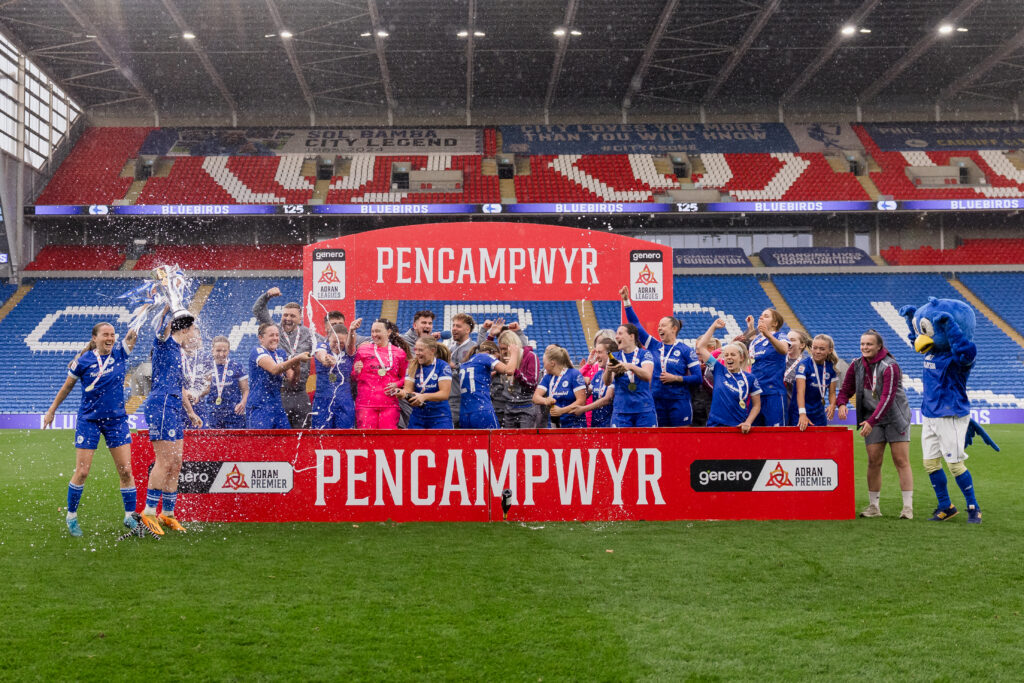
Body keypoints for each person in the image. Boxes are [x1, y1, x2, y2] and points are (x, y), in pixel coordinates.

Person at [43, 323, 139, 536]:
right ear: (94, 338)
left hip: (116, 421)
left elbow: (134, 333)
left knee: (125, 470)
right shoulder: (83, 361)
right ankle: (72, 517)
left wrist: (150, 308)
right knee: (82, 471)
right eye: (106, 334)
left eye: (113, 335)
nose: (110, 338)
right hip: (89, 421)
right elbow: (67, 386)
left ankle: (130, 516)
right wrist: (51, 410)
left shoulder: (121, 353)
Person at [139, 310, 204, 536]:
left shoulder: (179, 352)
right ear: (184, 330)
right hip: (161, 405)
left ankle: (167, 513)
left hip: (175, 406)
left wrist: (191, 412)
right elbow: (160, 327)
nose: (196, 333)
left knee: (176, 462)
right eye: (194, 329)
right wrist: (167, 306)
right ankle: (147, 513)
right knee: (164, 461)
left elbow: (181, 387)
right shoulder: (165, 343)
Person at [836, 330, 914, 519]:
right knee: (873, 461)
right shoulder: (856, 365)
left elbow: (887, 398)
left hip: (895, 417)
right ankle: (874, 507)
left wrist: (871, 421)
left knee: (901, 461)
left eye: (869, 344)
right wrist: (841, 404)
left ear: (879, 346)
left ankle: (907, 508)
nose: (865, 347)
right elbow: (846, 389)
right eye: (862, 344)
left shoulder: (890, 366)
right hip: (872, 418)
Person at [620, 286, 702, 426]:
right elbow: (636, 325)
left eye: (663, 325)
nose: (659, 328)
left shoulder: (686, 350)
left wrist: (676, 378)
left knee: (680, 439)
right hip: (656, 401)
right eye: (658, 325)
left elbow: (698, 378)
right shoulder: (654, 345)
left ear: (674, 328)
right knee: (659, 439)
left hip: (679, 401)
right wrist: (626, 301)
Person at [253, 286, 313, 428]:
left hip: (300, 392)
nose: (287, 319)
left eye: (292, 316)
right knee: (279, 437)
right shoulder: (274, 330)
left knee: (303, 435)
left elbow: (329, 342)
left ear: (300, 319)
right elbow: (258, 310)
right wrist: (267, 295)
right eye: (285, 315)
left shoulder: (309, 335)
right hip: (280, 393)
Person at [695, 319, 761, 432]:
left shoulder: (750, 378)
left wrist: (748, 422)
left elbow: (756, 405)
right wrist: (713, 327)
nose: (729, 357)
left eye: (733, 355)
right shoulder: (718, 370)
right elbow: (701, 347)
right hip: (715, 425)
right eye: (726, 355)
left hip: (738, 426)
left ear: (741, 357)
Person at [246, 323, 311, 430]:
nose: (275, 338)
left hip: (277, 405)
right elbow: (274, 369)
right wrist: (296, 359)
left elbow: (292, 381)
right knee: (261, 443)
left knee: (285, 442)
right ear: (261, 338)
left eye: (277, 335)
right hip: (260, 406)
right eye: (271, 335)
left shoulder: (280, 353)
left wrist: (297, 366)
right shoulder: (257, 351)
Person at [352, 319, 410, 429]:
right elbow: (354, 377)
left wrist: (397, 384)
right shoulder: (363, 350)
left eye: (378, 331)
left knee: (387, 440)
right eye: (372, 331)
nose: (374, 335)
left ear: (388, 332)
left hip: (389, 405)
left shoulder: (399, 353)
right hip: (366, 404)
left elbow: (406, 377)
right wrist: (356, 371)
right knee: (367, 441)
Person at [394, 336, 453, 429]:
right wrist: (402, 394)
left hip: (440, 417)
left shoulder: (443, 366)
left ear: (432, 350)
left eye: (421, 350)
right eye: (416, 349)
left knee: (441, 444)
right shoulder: (412, 365)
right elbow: (408, 390)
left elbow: (444, 394)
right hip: (418, 417)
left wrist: (423, 397)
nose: (417, 353)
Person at [605, 323, 657, 428]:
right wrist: (609, 370)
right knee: (621, 444)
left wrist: (630, 366)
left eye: (620, 333)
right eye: (616, 334)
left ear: (631, 336)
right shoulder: (614, 356)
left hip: (644, 410)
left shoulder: (645, 354)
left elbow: (647, 376)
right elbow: (607, 382)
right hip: (621, 411)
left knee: (646, 443)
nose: (616, 337)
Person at [743, 309, 789, 426]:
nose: (761, 318)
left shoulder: (781, 335)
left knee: (776, 434)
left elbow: (784, 350)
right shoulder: (756, 341)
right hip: (756, 393)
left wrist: (768, 334)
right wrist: (751, 327)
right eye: (761, 315)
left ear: (775, 323)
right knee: (755, 434)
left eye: (766, 316)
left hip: (773, 392)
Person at [457, 340, 517, 428]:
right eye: (496, 358)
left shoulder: (467, 363)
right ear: (490, 352)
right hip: (482, 411)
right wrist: (514, 354)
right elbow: (509, 370)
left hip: (465, 414)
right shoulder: (485, 356)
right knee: (495, 441)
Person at [492, 328, 542, 428]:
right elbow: (483, 352)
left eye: (506, 349)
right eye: (501, 349)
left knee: (525, 440)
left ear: (514, 346)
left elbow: (532, 384)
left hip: (526, 407)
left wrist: (515, 372)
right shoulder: (502, 358)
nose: (503, 352)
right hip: (509, 407)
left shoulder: (530, 357)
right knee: (509, 441)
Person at [312, 322, 356, 429]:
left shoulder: (349, 352)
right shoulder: (321, 346)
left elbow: (351, 346)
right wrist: (325, 359)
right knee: (321, 437)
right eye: (334, 342)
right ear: (328, 338)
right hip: (323, 400)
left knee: (344, 437)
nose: (337, 345)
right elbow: (320, 354)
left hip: (344, 401)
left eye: (341, 343)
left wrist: (352, 331)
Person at [201, 335, 248, 429]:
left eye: (224, 351)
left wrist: (243, 403)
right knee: (214, 442)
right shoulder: (207, 367)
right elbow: (202, 389)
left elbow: (245, 390)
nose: (221, 354)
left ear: (228, 351)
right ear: (212, 350)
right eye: (218, 350)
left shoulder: (236, 366)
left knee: (235, 443)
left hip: (234, 414)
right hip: (213, 413)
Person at [534, 345, 587, 428]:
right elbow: (535, 397)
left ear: (552, 363)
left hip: (574, 425)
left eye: (544, 363)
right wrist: (545, 400)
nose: (543, 367)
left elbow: (581, 401)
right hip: (554, 425)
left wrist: (562, 411)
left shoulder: (574, 374)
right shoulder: (548, 377)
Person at [795, 334, 838, 431]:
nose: (818, 351)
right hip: (800, 412)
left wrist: (832, 404)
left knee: (819, 444)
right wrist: (802, 413)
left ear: (830, 350)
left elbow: (832, 393)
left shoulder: (831, 368)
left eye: (822, 349)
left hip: (819, 413)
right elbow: (800, 392)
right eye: (815, 348)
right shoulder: (804, 365)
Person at [571, 338, 617, 427]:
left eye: (600, 352)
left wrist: (583, 409)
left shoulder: (616, 374)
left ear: (610, 354)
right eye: (596, 353)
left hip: (611, 424)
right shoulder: (598, 375)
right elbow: (585, 394)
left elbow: (607, 399)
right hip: (595, 424)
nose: (597, 356)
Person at [445, 312, 479, 428]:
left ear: (467, 330)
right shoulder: (450, 348)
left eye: (458, 326)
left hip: (468, 400)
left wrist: (455, 366)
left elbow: (475, 371)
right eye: (453, 326)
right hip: (451, 399)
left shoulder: (474, 348)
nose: (454, 329)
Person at [783, 329, 812, 428]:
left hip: (797, 412)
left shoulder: (807, 364)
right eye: (787, 339)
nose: (788, 342)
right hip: (779, 411)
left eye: (792, 340)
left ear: (802, 345)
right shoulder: (778, 360)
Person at [689, 337, 720, 427]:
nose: (697, 351)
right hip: (696, 409)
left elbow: (716, 388)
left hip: (712, 407)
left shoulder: (718, 364)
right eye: (696, 348)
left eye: (699, 348)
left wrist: (701, 373)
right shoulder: (695, 364)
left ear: (711, 348)